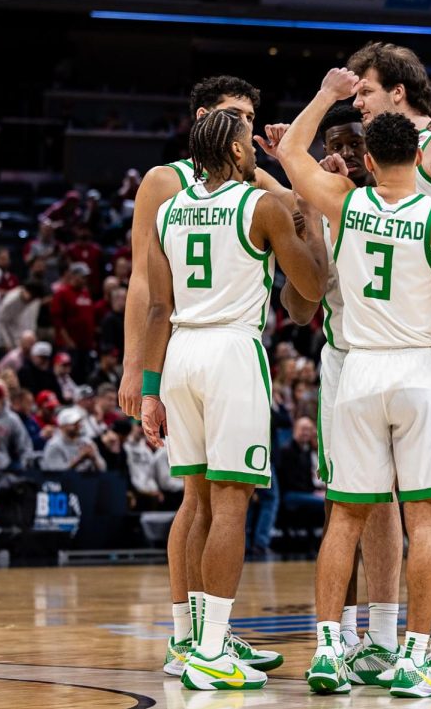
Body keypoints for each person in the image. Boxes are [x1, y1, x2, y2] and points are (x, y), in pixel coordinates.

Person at [274, 68, 431, 697]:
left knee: (345, 519)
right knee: (426, 517)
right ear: (419, 156)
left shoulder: (347, 203)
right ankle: (416, 659)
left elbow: (286, 154)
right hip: (419, 368)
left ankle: (330, 650)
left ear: (365, 156)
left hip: (358, 370)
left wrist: (326, 95)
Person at [116, 75, 295, 679]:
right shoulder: (164, 181)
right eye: (236, 116)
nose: (247, 124)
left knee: (207, 500)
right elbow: (143, 284)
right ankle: (192, 638)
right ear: (205, 118)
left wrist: (276, 162)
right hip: (212, 351)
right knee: (208, 501)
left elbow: (297, 210)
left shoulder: (249, 182)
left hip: (191, 352)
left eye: (251, 114)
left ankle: (202, 639)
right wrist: (134, 368)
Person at [141, 105, 324, 691]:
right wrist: (310, 217)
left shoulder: (167, 212)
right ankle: (214, 648)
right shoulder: (260, 205)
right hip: (230, 354)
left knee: (195, 501)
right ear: (241, 153)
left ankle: (191, 640)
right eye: (249, 139)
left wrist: (150, 389)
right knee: (231, 504)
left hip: (180, 356)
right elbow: (312, 287)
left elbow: (155, 308)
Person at [344, 43, 431, 691]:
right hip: (377, 340)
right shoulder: (380, 154)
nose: (358, 102)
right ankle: (381, 634)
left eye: (366, 92)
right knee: (376, 488)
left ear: (399, 91)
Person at [275, 104, 405, 668]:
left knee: (401, 503)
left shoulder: (411, 206)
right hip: (346, 361)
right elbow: (299, 307)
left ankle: (387, 633)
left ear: (376, 155)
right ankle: (343, 634)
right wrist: (306, 222)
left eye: (358, 144)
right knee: (346, 501)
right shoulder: (322, 208)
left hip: (401, 361)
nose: (348, 154)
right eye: (338, 145)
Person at [277, 416, 325, 514]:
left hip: (304, 492)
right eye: (303, 429)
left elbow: (307, 479)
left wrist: (317, 490)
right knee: (325, 502)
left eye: (309, 429)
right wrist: (313, 492)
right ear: (295, 429)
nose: (306, 432)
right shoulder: (286, 450)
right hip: (290, 494)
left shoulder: (306, 450)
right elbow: (291, 482)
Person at [42, 406, 106, 472]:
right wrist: (79, 459)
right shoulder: (54, 445)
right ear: (62, 426)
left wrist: (94, 458)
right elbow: (56, 474)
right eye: (74, 424)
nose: (78, 426)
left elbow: (103, 470)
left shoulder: (87, 442)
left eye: (79, 422)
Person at [0, 281, 45, 351]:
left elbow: (32, 321)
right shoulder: (11, 301)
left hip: (30, 342)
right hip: (14, 343)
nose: (32, 300)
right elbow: (1, 323)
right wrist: (7, 343)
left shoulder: (35, 300)